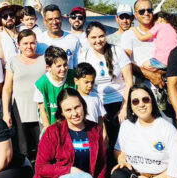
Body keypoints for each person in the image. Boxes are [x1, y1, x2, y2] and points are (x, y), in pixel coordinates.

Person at [111, 83, 175, 178]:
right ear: (131, 106)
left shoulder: (166, 127)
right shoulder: (127, 125)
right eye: (135, 101)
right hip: (135, 176)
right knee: (118, 175)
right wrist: (121, 159)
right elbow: (118, 150)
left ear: (152, 101)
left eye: (145, 100)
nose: (141, 104)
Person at [79, 22, 132, 151]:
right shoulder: (84, 55)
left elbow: (129, 81)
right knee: (102, 143)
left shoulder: (116, 51)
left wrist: (124, 108)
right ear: (87, 38)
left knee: (121, 143)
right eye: (93, 37)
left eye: (101, 36)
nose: (98, 40)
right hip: (98, 104)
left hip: (119, 102)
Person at [1, 29, 44, 161]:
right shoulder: (13, 61)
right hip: (20, 109)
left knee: (42, 146)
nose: (29, 46)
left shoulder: (44, 60)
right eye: (25, 43)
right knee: (23, 148)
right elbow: (7, 88)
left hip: (40, 110)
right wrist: (6, 112)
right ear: (18, 45)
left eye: (32, 43)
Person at [121, 0, 163, 88]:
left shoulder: (163, 31)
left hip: (165, 85)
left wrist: (160, 72)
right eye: (142, 11)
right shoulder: (128, 35)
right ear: (135, 15)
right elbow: (124, 61)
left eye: (149, 10)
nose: (146, 13)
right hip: (142, 90)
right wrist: (151, 75)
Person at [34, 46, 75, 129]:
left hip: (72, 125)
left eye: (65, 64)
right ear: (48, 68)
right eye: (59, 66)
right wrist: (49, 130)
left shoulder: (74, 77)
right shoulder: (41, 84)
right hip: (51, 125)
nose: (63, 69)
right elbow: (43, 110)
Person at [73, 63, 106, 131]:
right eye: (86, 82)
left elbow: (101, 118)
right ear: (76, 81)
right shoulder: (72, 98)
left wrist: (104, 134)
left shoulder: (96, 97)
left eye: (92, 82)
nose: (90, 85)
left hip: (95, 134)